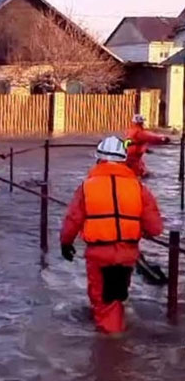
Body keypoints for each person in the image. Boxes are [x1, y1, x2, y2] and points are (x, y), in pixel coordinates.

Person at [60, 136, 164, 334]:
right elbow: (155, 228)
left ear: (98, 159)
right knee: (116, 297)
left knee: (103, 302)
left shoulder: (86, 187)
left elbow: (72, 219)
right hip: (127, 255)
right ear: (124, 159)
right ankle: (117, 339)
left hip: (99, 255)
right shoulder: (139, 188)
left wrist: (66, 243)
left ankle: (111, 352)